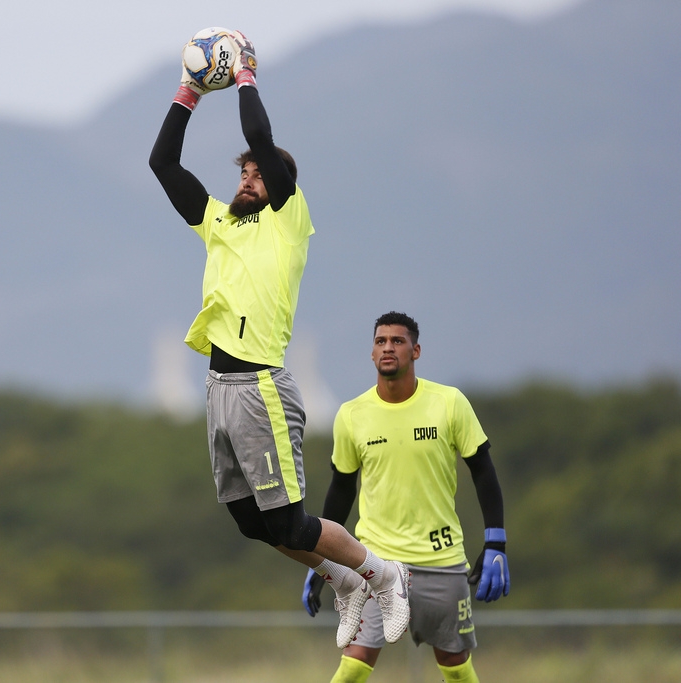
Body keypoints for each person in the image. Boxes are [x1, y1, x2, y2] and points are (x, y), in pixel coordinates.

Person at [148, 31, 409, 649]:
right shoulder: (219, 225)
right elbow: (162, 163)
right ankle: (344, 580)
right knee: (252, 524)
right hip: (218, 388)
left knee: (291, 520)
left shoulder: (288, 223)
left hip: (261, 384)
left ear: (278, 186)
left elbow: (264, 143)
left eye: (256, 174)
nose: (246, 177)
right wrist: (189, 91)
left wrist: (242, 77)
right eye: (241, 172)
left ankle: (382, 576)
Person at [302, 311, 510, 683]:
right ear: (371, 353)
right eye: (380, 341)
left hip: (440, 560)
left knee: (457, 668)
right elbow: (342, 490)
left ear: (415, 351)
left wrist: (496, 541)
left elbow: (483, 471)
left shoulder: (449, 403)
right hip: (375, 562)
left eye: (397, 341)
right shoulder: (351, 415)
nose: (388, 348)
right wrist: (322, 561)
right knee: (352, 664)